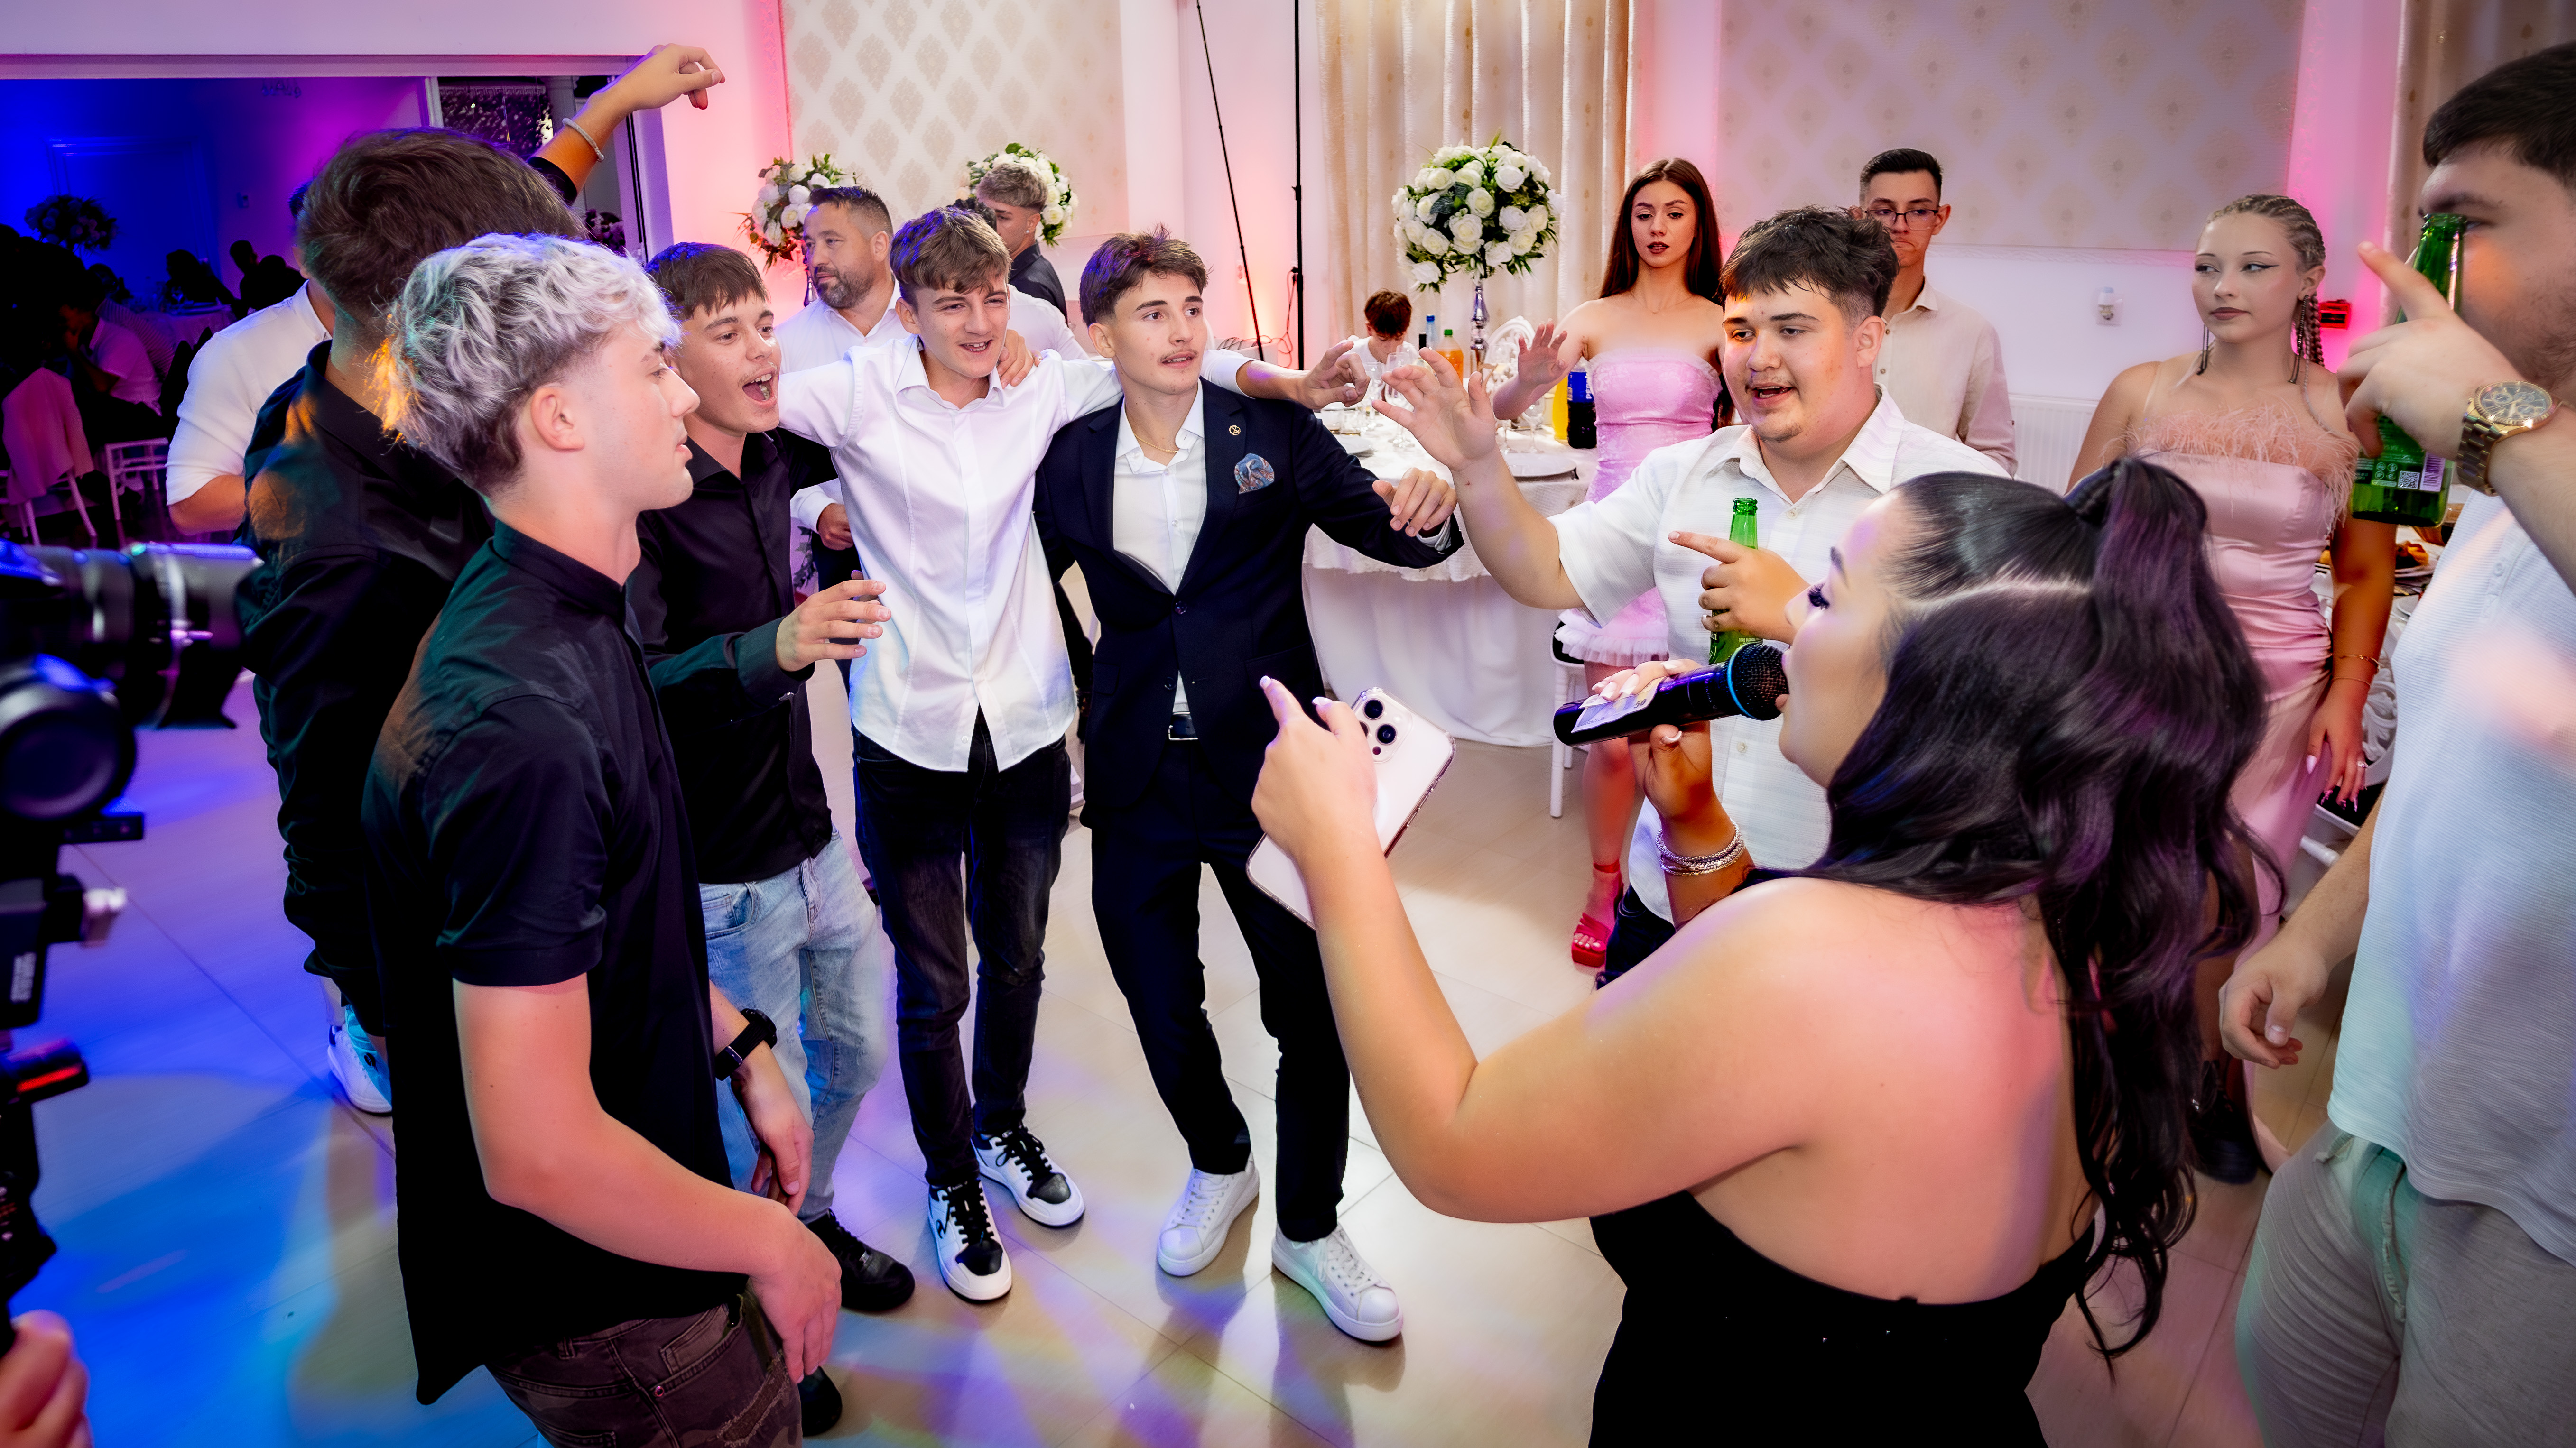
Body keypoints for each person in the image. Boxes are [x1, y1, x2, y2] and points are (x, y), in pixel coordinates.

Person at [1252, 414, 2265, 1439]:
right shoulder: (2091, 925)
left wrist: (1338, 850)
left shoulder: (1807, 957)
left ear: (1925, 682)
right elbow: (1831, 1095)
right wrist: (1696, 823)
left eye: (1825, 594)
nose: (1789, 623)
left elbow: (1454, 1139)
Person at [773, 206, 1365, 1302]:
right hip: (908, 726)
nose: (978, 321)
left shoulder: (1046, 387)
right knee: (935, 984)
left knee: (1021, 962)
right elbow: (742, 416)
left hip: (1030, 725)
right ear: (908, 309)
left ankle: (1004, 1128)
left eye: (992, 297)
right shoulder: (850, 391)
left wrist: (1291, 382)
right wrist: (817, 506)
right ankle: (954, 1180)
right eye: (951, 301)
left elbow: (1180, 358)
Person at [364, 231, 834, 1446]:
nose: (684, 396)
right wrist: (770, 1239)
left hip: (647, 1218)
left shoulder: (568, 602)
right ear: (560, 417)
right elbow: (536, 1151)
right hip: (610, 1312)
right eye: (654, 367)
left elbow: (616, 922)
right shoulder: (516, 721)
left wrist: (740, 1044)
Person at [234, 49, 733, 1114]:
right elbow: (321, 793)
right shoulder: (339, 542)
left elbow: (524, 210)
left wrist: (616, 104)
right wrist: (385, 1010)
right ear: (444, 314)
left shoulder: (423, 355)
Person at [2222, 42, 2576, 1445]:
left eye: (2463, 227)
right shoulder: (2508, 497)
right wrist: (2313, 939)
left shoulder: (2516, 450)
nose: (2422, 274)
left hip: (2540, 1208)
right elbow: (2445, 769)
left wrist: (2490, 417)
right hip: (2376, 1114)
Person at [1032, 230, 1458, 1341]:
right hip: (1135, 772)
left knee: (1309, 1006)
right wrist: (1084, 694)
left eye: (1191, 306)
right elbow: (1021, 591)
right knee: (1156, 992)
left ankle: (1310, 1226)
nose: (1181, 330)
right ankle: (1219, 1159)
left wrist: (1433, 500)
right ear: (1099, 335)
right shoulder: (1067, 458)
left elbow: (1394, 531)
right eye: (1152, 312)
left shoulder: (1270, 431)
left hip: (1274, 770)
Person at [1445, 203, 2004, 983]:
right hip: (1666, 890)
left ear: (1867, 339)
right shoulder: (1683, 474)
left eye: (1792, 329)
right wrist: (1475, 465)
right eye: (1740, 331)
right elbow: (1544, 570)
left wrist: (1803, 615)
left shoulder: (1961, 493)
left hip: (1852, 917)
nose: (1758, 358)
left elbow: (1992, 717)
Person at [636, 242, 912, 1430]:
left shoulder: (776, 456)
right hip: (718, 870)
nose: (765, 350)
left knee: (856, 1050)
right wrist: (779, 645)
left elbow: (892, 415)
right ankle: (762, 1311)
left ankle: (811, 1216)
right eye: (731, 332)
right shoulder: (646, 498)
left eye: (765, 324)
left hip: (811, 831)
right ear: (665, 360)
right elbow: (639, 682)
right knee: (760, 1098)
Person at [2072, 193, 2394, 1185]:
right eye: (2209, 266)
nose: (2224, 287)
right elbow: (2072, 537)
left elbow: (2365, 572)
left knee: (2234, 887)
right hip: (2136, 669)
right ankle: (2101, 1060)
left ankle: (2213, 1070)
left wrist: (2346, 696)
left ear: (2308, 280)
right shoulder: (2141, 389)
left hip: (2276, 689)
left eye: (2255, 267)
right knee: (2122, 870)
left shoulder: (2353, 412)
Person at [172, 45, 721, 540]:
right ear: (438, 304)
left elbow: (533, 202)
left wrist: (616, 100)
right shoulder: (362, 551)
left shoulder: (378, 350)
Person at [1481, 157, 1732, 972]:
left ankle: (1680, 878)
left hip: (1689, 541)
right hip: (1614, 537)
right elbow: (1504, 410)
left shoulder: (1721, 321)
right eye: (1644, 212)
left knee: (1680, 733)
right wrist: (1526, 382)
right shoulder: (1593, 317)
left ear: (1698, 226)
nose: (1657, 227)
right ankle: (1603, 884)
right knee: (1613, 740)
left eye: (1675, 212)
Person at [1854, 148, 2015, 472]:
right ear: (1860, 219)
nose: (1900, 226)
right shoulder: (1825, 320)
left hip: (1927, 500)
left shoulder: (1972, 331)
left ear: (1939, 219)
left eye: (1918, 211)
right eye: (1884, 211)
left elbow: (1995, 457)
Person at [975, 157, 1067, 316]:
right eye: (984, 214)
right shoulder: (1019, 273)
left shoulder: (1030, 288)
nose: (988, 225)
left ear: (1032, 223)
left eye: (1003, 218)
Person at [1342, 288, 1418, 400]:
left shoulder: (1410, 354)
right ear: (1369, 329)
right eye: (1383, 339)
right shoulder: (1351, 353)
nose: (1391, 348)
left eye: (1399, 338)